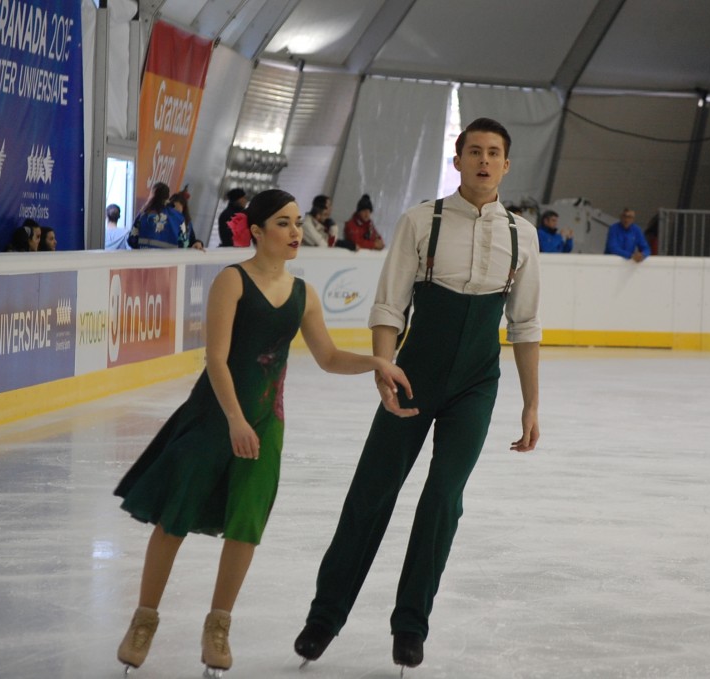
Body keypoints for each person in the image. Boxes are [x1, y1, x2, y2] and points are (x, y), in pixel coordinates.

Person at [113, 189, 413, 676]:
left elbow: (330, 358)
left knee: (247, 525)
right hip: (213, 419)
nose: (296, 232)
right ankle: (144, 620)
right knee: (176, 516)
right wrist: (233, 419)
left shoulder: (302, 294)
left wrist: (377, 361)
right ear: (255, 231)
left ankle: (218, 627)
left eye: (298, 223)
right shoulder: (232, 282)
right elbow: (215, 358)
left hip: (266, 423)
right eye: (283, 223)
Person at [293, 117, 541, 672]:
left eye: (493, 152)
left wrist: (530, 403)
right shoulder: (420, 221)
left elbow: (524, 325)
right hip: (413, 376)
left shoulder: (521, 234)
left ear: (505, 164)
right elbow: (389, 307)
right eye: (473, 150)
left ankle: (411, 626)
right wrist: (384, 367)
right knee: (371, 494)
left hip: (477, 386)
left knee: (442, 501)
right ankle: (323, 618)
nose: (483, 160)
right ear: (457, 161)